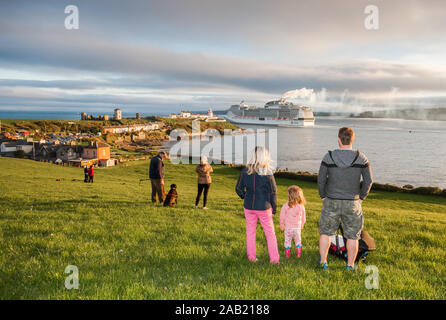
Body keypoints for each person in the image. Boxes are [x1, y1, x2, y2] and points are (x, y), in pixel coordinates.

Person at [317, 127, 373, 271]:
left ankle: (323, 262)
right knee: (353, 236)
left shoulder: (328, 157)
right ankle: (350, 265)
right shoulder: (361, 158)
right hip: (352, 203)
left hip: (331, 201)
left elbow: (321, 180)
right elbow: (369, 181)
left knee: (326, 233)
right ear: (353, 139)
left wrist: (323, 195)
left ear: (338, 139)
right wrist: (361, 198)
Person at [235, 146, 280, 264]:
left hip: (249, 206)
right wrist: (274, 209)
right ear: (265, 157)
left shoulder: (245, 171)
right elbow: (273, 192)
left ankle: (251, 258)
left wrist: (245, 197)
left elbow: (238, 189)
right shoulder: (268, 173)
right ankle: (274, 260)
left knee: (250, 232)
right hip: (264, 207)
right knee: (270, 234)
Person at [279, 186, 306, 258]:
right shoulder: (301, 206)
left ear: (289, 196)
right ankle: (298, 255)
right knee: (298, 241)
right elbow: (304, 217)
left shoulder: (285, 206)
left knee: (287, 241)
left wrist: (282, 224)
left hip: (288, 228)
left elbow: (282, 216)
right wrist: (302, 224)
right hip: (297, 228)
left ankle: (287, 255)